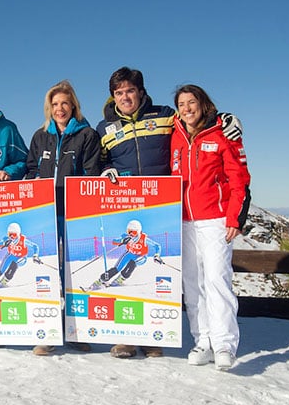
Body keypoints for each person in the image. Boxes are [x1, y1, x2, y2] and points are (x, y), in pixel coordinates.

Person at [95, 67, 243, 359]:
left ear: (141, 91)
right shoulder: (104, 128)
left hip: (164, 209)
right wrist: (104, 169)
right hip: (126, 208)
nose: (125, 97)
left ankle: (154, 336)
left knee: (157, 276)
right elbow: (99, 161)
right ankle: (127, 337)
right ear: (113, 97)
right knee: (178, 279)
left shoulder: (165, 116)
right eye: (119, 93)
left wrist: (227, 119)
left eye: (130, 90)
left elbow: (198, 118)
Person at [171, 84, 251, 370]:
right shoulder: (174, 133)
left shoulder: (222, 134)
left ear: (203, 104)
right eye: (181, 104)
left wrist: (234, 218)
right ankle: (203, 340)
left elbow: (239, 178)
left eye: (191, 102)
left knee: (217, 280)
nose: (186, 109)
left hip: (215, 220)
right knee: (192, 284)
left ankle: (224, 345)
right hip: (183, 221)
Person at [25, 80, 101, 355]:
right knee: (45, 271)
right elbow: (32, 169)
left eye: (64, 104)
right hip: (45, 213)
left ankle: (75, 330)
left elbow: (92, 174)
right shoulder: (40, 136)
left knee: (73, 271)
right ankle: (47, 331)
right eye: (54, 104)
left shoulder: (87, 135)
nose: (60, 109)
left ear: (74, 106)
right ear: (49, 108)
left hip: (74, 213)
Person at [85, 220, 162, 290]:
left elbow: (157, 246)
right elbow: (114, 241)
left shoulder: (143, 238)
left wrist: (157, 255)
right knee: (117, 268)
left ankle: (120, 279)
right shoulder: (126, 237)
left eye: (133, 232)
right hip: (129, 253)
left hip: (141, 256)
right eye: (129, 231)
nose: (131, 234)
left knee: (132, 263)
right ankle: (101, 280)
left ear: (138, 232)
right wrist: (122, 240)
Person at [0, 223, 41, 293]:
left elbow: (35, 246)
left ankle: (4, 281)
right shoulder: (7, 239)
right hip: (10, 256)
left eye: (14, 235)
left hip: (21, 257)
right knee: (0, 270)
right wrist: (4, 243)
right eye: (10, 234)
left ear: (18, 234)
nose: (11, 237)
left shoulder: (23, 240)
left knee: (14, 264)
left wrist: (35, 256)